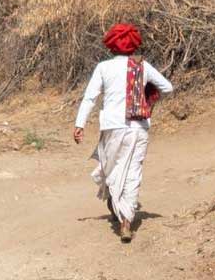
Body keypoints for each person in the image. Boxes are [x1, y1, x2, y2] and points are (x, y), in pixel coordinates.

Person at [73, 23, 173, 243]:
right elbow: (167, 87)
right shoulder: (142, 66)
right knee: (133, 171)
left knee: (112, 172)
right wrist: (147, 97)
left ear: (111, 45)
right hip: (139, 128)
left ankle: (118, 208)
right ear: (133, 44)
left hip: (112, 127)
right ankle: (126, 220)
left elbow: (90, 97)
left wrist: (79, 124)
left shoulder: (103, 68)